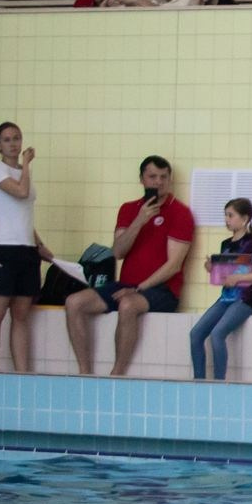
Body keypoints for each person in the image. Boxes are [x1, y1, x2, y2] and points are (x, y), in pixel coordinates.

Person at [62, 155, 193, 378]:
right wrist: (139, 221)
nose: (158, 182)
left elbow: (173, 266)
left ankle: (117, 373)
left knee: (127, 305)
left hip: (162, 289)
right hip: (126, 284)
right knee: (74, 302)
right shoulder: (129, 209)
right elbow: (118, 252)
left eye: (164, 177)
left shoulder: (181, 213)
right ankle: (84, 373)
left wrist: (139, 288)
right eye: (152, 177)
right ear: (141, 179)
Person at [184, 197, 252, 383]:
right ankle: (199, 380)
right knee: (196, 334)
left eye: (231, 215)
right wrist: (211, 267)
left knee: (217, 334)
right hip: (226, 298)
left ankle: (219, 382)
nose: (227, 219)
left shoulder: (251, 245)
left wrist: (239, 278)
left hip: (244, 300)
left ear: (244, 219)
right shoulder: (226, 244)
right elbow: (225, 274)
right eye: (226, 215)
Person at [0, 123, 40, 373]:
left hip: (26, 249)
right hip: (3, 248)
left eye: (17, 138)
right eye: (7, 140)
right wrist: (26, 164)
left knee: (20, 315)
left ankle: (21, 372)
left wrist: (40, 246)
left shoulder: (23, 173)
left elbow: (24, 215)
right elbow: (21, 191)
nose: (13, 144)